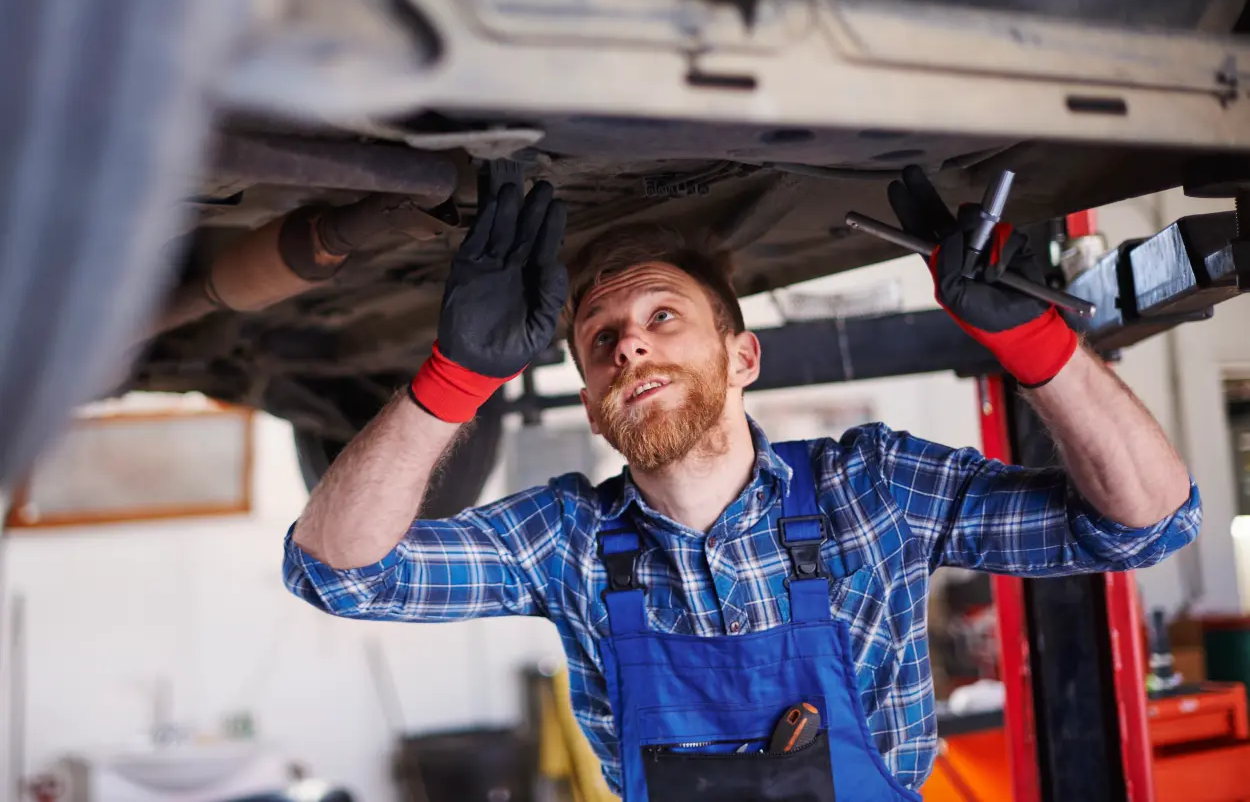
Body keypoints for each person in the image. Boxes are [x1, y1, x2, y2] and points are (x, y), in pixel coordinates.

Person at [284, 172, 1200, 801]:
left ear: (743, 356)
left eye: (662, 316)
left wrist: (1037, 344)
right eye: (599, 339)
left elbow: (1147, 523)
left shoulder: (871, 488)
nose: (628, 344)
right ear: (596, 408)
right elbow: (338, 570)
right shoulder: (565, 539)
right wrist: (456, 376)